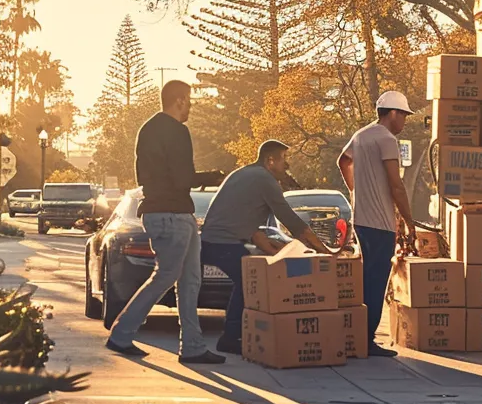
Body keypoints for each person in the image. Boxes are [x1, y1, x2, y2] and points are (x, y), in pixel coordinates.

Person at [105, 80, 225, 364]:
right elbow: (183, 178)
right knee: (168, 275)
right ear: (180, 100)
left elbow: (148, 176)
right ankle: (121, 334)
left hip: (168, 213)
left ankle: (193, 346)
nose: (191, 107)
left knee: (190, 280)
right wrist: (210, 177)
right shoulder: (178, 132)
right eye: (190, 101)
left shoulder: (146, 130)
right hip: (172, 213)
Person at [199, 139, 333, 354]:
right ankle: (230, 337)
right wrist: (325, 252)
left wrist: (273, 250)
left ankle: (235, 334)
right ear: (270, 161)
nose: (286, 165)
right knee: (249, 282)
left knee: (247, 279)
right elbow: (290, 219)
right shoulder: (264, 179)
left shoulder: (243, 174)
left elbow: (249, 225)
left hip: (212, 240)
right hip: (223, 242)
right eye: (284, 159)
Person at [338, 90, 417, 358]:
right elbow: (396, 184)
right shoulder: (387, 139)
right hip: (381, 223)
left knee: (365, 279)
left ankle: (355, 336)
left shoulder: (361, 135)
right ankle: (366, 340)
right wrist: (409, 222)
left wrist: (354, 191)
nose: (404, 121)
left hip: (361, 219)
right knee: (375, 282)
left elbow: (343, 161)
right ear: (392, 113)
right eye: (404, 115)